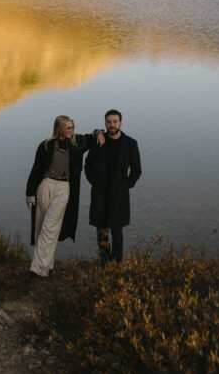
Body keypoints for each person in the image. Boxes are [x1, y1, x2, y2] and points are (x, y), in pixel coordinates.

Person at [25, 115, 104, 279]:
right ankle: (48, 267)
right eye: (68, 128)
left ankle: (36, 270)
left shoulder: (77, 143)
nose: (71, 131)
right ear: (59, 128)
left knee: (50, 228)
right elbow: (36, 169)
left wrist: (99, 132)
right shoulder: (46, 145)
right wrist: (30, 194)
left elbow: (93, 136)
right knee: (41, 228)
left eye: (72, 127)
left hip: (64, 188)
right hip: (45, 185)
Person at [85, 108, 141, 264]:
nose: (112, 124)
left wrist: (126, 185)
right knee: (101, 231)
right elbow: (88, 164)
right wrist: (94, 182)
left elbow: (136, 170)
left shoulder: (130, 143)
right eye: (109, 122)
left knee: (117, 232)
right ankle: (104, 264)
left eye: (115, 121)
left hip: (119, 194)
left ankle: (117, 265)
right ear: (105, 123)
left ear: (121, 123)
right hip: (100, 193)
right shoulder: (99, 141)